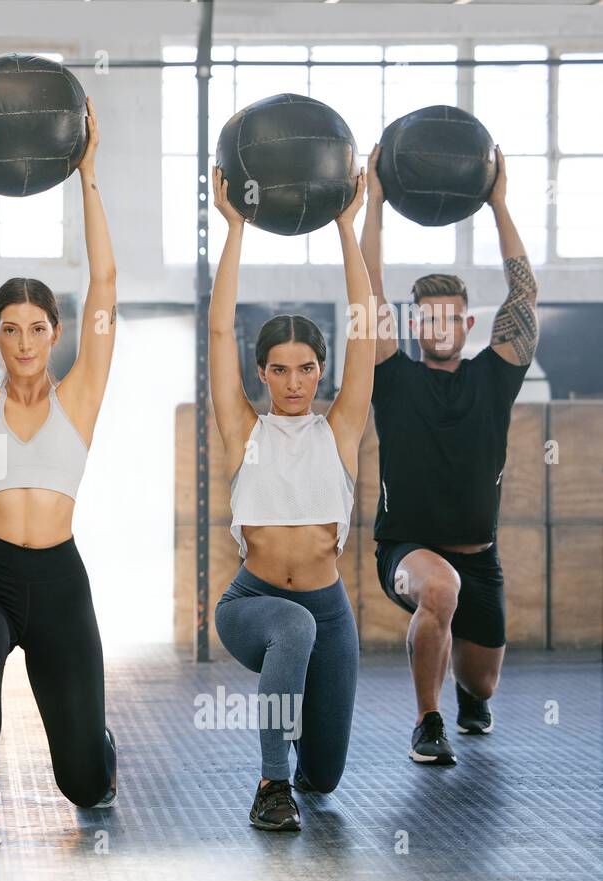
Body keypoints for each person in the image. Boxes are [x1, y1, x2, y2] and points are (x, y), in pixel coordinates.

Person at [0, 97, 118, 847]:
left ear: (56, 333)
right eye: (10, 328)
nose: (24, 339)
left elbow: (104, 285)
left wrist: (88, 176)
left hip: (61, 584)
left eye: (37, 327)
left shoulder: (81, 397)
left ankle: (97, 756)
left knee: (85, 786)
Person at [361, 145, 538, 765]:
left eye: (450, 317)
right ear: (414, 326)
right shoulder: (393, 375)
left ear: (466, 325)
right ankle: (427, 723)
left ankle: (465, 699)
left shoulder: (495, 375)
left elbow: (525, 295)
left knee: (482, 680)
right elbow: (367, 290)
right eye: (427, 316)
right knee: (439, 589)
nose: (438, 325)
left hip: (479, 559)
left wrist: (498, 204)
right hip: (406, 554)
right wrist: (375, 204)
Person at [211, 165, 373, 832]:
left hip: (328, 612)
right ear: (262, 373)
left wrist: (347, 226)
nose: (294, 380)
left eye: (307, 367)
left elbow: (364, 329)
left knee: (327, 777)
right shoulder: (243, 430)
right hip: (252, 605)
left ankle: (300, 763)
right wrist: (235, 228)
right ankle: (270, 785)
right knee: (291, 627)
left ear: (321, 370)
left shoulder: (340, 429)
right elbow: (219, 333)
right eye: (279, 368)